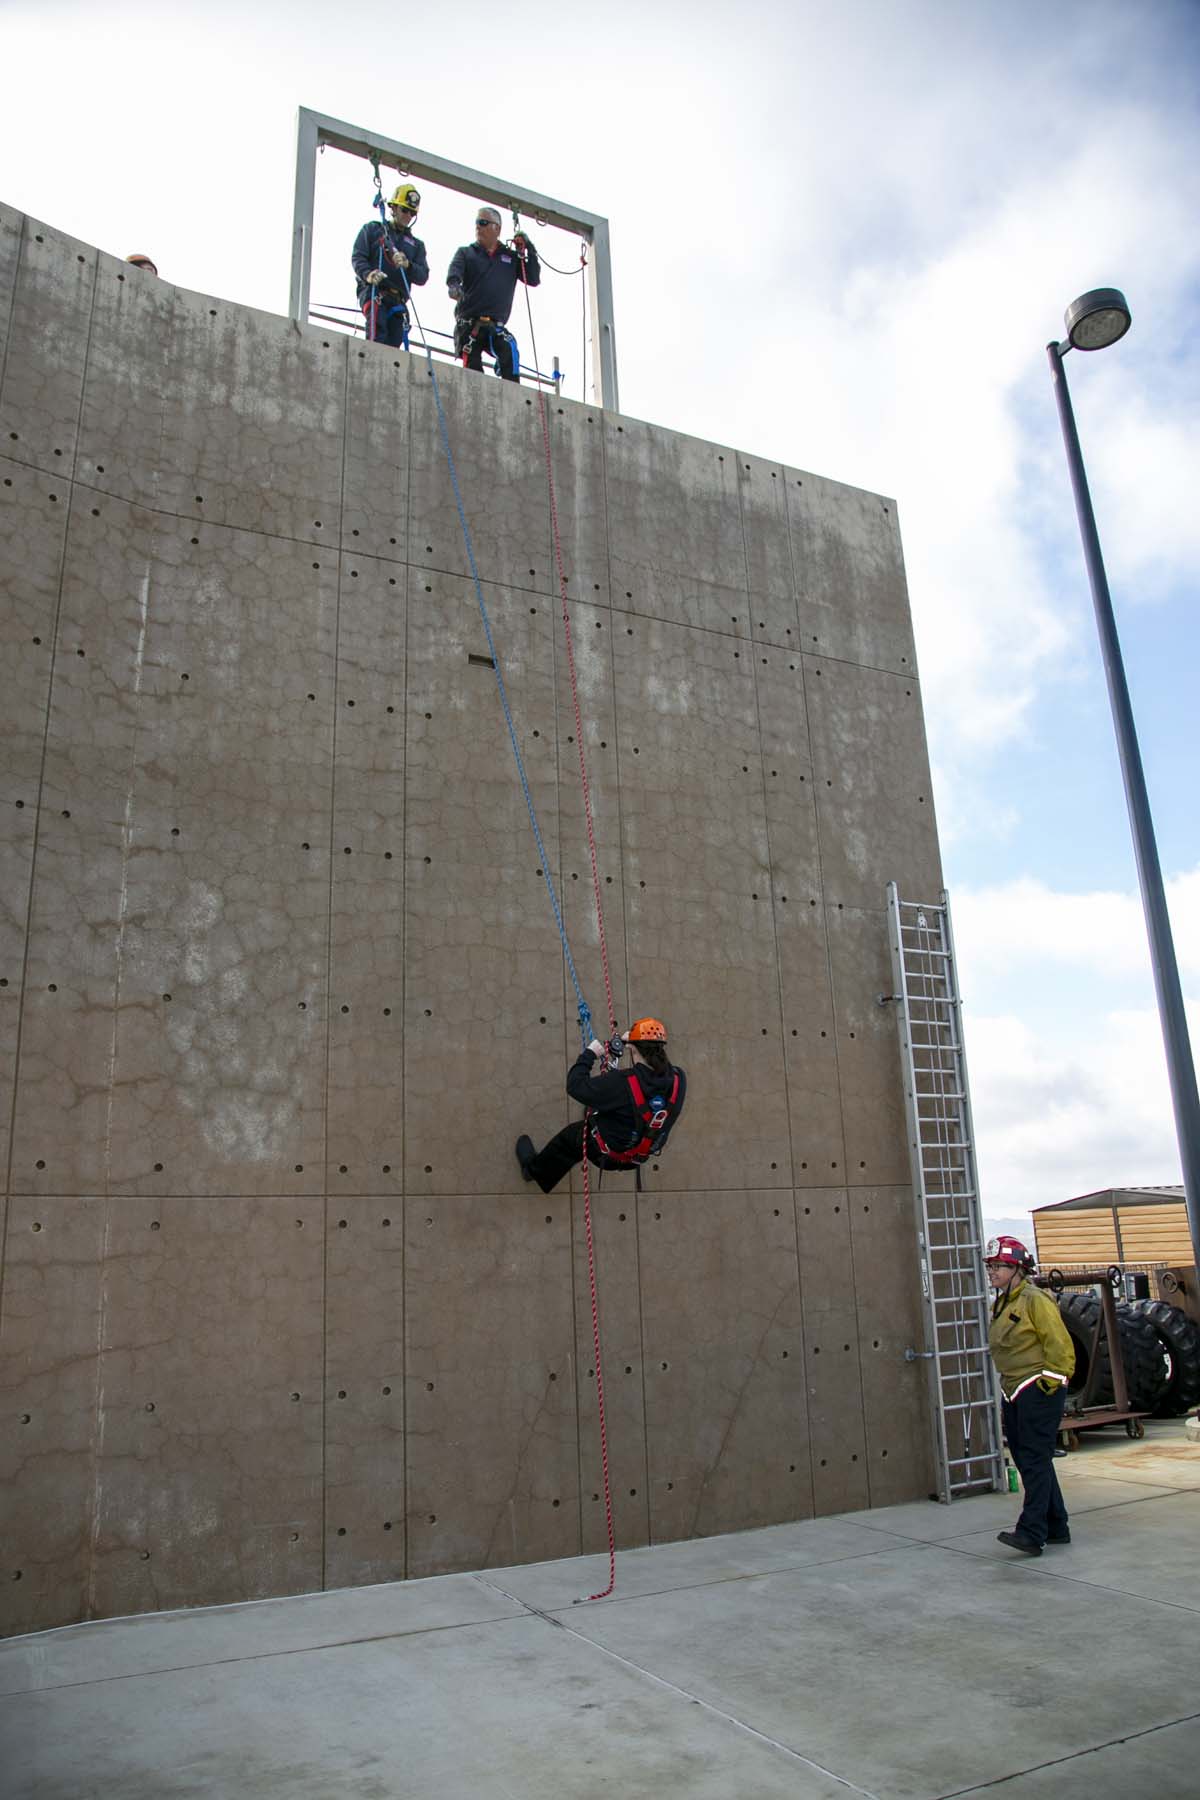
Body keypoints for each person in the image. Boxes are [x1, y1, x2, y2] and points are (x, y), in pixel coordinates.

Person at [516, 1018, 686, 1193]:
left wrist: (590, 1054)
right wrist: (633, 1043)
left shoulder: (621, 1083)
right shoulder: (678, 1079)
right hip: (638, 1155)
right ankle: (605, 1109)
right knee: (626, 1106)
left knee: (571, 1138)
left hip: (607, 1154)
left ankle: (532, 1171)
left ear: (632, 1048)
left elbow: (575, 1086)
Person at [986, 1235, 1075, 1555]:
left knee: (1035, 1458)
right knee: (1028, 1458)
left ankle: (1031, 1532)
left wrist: (1048, 1385)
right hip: (1014, 1388)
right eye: (990, 1266)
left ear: (1017, 1268)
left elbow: (1060, 1346)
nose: (992, 1272)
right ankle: (1056, 1525)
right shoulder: (1003, 1302)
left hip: (1035, 1388)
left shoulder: (1035, 1300)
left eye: (999, 1266)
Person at [446, 206, 540, 382]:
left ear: (497, 228)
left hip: (495, 326)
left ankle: (512, 392)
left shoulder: (511, 258)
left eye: (483, 222)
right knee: (472, 372)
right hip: (469, 324)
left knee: (509, 350)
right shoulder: (466, 253)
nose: (478, 226)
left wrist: (529, 249)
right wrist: (454, 286)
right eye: (477, 222)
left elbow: (533, 278)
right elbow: (454, 273)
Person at [351, 183, 429, 349]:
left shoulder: (416, 245)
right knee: (377, 333)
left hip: (398, 300)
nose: (408, 216)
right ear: (393, 208)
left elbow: (422, 276)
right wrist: (368, 274)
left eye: (412, 213)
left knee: (395, 341)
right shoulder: (373, 230)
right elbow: (358, 257)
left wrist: (408, 265)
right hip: (375, 292)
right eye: (404, 210)